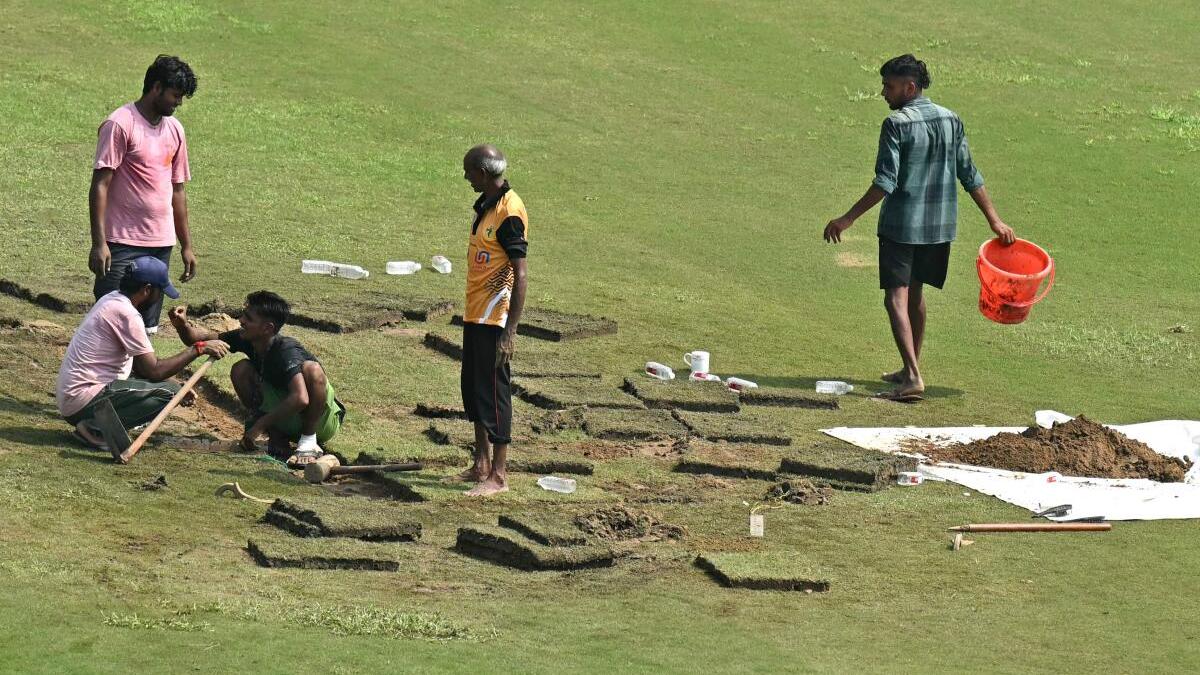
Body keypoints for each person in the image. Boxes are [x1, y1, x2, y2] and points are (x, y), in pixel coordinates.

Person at [823, 54, 1015, 402]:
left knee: (895, 298)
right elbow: (969, 174)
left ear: (910, 87)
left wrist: (847, 218)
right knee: (916, 294)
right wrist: (995, 220)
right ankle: (910, 366)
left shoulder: (896, 124)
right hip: (939, 228)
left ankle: (911, 376)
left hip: (901, 226)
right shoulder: (951, 119)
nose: (884, 93)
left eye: (889, 86)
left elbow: (885, 182)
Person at [56, 256, 230, 460]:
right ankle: (95, 429)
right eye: (160, 292)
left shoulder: (111, 299)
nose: (160, 298)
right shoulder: (126, 314)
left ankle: (95, 425)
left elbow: (140, 367)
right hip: (84, 400)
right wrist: (198, 349)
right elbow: (153, 370)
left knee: (172, 388)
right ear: (147, 289)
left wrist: (173, 381)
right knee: (170, 393)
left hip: (74, 399)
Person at [170, 291, 345, 465]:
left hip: (320, 423)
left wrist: (258, 426)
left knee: (312, 369)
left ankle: (308, 442)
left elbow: (300, 398)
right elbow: (200, 339)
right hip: (287, 418)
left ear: (267, 328)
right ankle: (276, 434)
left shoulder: (286, 350)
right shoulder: (246, 338)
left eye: (248, 318)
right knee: (241, 369)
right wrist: (182, 325)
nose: (241, 321)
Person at [89, 55, 199, 334]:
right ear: (157, 87)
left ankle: (137, 378)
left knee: (146, 328)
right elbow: (100, 184)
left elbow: (178, 190)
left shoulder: (175, 130)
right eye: (176, 95)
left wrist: (186, 245)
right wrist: (99, 243)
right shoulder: (120, 124)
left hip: (160, 244)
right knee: (109, 320)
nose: (179, 102)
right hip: (121, 243)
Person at [455, 144, 529, 497]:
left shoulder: (509, 212)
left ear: (483, 174)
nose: (465, 176)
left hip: (494, 317)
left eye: (468, 171)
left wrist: (510, 331)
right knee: (473, 388)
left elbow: (521, 273)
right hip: (475, 312)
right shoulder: (485, 205)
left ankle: (498, 475)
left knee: (495, 393)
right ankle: (480, 464)